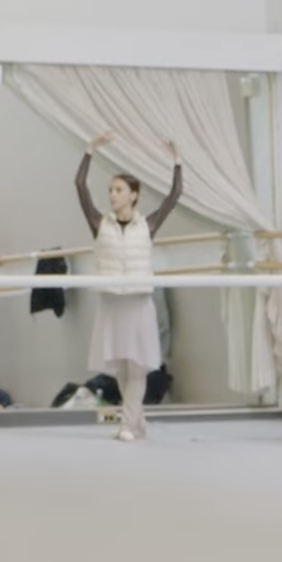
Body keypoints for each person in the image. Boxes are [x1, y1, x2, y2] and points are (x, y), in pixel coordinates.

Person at [75, 132, 183, 442]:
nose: (112, 195)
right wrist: (90, 149)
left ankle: (127, 423)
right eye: (110, 190)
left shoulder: (147, 225)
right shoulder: (100, 223)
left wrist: (176, 161)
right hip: (112, 303)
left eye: (119, 190)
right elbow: (80, 187)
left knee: (137, 367)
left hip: (137, 303)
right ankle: (136, 418)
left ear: (133, 195)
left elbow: (174, 196)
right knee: (120, 368)